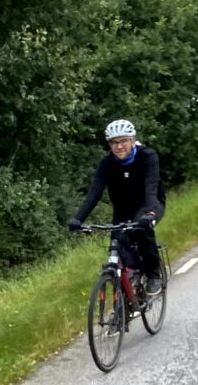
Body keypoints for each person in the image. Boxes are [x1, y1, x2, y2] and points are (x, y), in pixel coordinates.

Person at [68, 116, 165, 288]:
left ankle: (153, 274)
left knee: (141, 230)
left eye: (123, 141)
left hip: (149, 203)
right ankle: (126, 287)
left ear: (132, 140)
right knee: (118, 242)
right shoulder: (107, 164)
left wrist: (150, 213)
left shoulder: (147, 156)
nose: (119, 146)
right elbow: (94, 193)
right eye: (114, 142)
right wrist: (78, 219)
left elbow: (151, 187)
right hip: (123, 207)